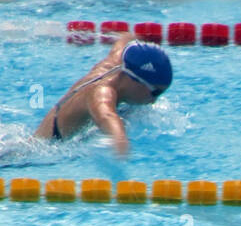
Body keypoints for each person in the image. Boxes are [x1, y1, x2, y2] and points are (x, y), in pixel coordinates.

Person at [34, 32, 172, 155]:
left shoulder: (119, 63)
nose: (154, 101)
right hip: (43, 150)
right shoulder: (101, 91)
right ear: (137, 82)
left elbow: (127, 37)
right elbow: (106, 115)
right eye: (155, 92)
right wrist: (120, 139)